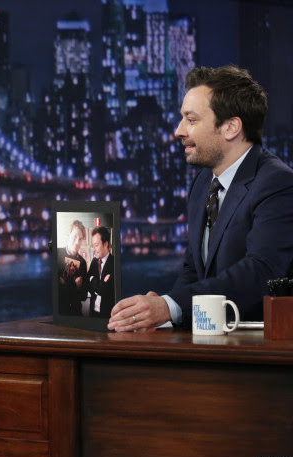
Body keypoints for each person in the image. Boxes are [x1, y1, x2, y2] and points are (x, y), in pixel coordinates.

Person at [109, 65, 293, 333]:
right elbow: (193, 270)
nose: (178, 131)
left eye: (191, 120)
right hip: (209, 341)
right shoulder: (203, 183)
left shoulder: (278, 183)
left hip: (258, 345)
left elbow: (262, 272)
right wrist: (164, 312)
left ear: (230, 127)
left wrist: (170, 306)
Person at [57, 219, 89, 315]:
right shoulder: (57, 254)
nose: (77, 242)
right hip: (60, 311)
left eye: (80, 239)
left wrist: (64, 284)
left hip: (76, 312)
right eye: (74, 237)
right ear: (68, 235)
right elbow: (56, 290)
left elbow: (83, 296)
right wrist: (75, 286)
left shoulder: (82, 262)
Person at [88, 226, 115, 317]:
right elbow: (87, 284)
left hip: (108, 314)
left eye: (96, 245)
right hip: (92, 313)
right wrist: (101, 285)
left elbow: (107, 290)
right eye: (93, 246)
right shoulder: (94, 262)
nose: (94, 249)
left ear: (106, 244)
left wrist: (92, 279)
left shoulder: (114, 263)